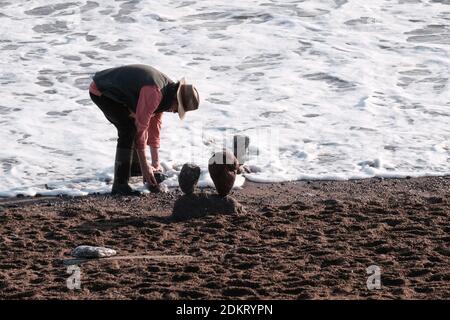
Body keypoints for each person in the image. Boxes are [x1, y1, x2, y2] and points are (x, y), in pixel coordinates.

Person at [89, 64, 200, 195]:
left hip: (120, 91)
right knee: (128, 129)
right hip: (101, 91)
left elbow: (154, 130)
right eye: (178, 109)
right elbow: (141, 129)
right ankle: (120, 185)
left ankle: (136, 170)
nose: (175, 112)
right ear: (176, 99)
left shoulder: (167, 92)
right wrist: (146, 165)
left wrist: (155, 164)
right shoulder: (155, 93)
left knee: (133, 128)